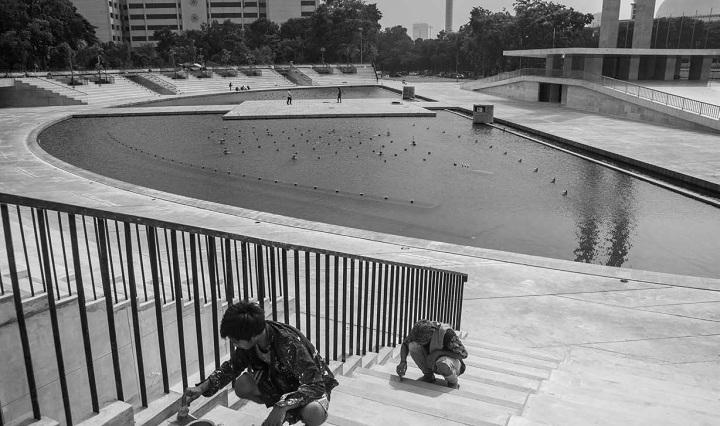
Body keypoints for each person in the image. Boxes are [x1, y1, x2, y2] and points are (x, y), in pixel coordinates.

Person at [182, 301, 338, 425]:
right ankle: (284, 412)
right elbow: (232, 367)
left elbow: (316, 385)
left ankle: (288, 411)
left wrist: (281, 406)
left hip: (310, 388)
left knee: (313, 412)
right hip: (279, 384)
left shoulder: (288, 342)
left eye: (236, 341)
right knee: (242, 385)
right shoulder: (253, 336)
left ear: (252, 336)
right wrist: (201, 388)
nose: (235, 345)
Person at [396, 319, 467, 389]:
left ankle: (453, 382)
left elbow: (463, 354)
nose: (419, 343)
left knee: (442, 363)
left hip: (452, 364)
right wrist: (403, 361)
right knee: (412, 345)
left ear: (430, 336)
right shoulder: (418, 331)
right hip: (432, 362)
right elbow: (405, 344)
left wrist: (437, 353)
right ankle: (428, 376)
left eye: (421, 342)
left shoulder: (446, 333)